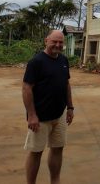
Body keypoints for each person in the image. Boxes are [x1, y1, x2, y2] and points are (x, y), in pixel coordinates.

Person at [22, 29, 74, 184]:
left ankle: (55, 181)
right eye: (54, 42)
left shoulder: (63, 61)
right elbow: (26, 88)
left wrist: (70, 107)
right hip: (40, 117)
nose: (57, 45)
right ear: (46, 41)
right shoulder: (36, 62)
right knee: (36, 152)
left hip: (59, 114)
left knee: (58, 149)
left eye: (60, 42)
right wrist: (31, 115)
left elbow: (66, 84)